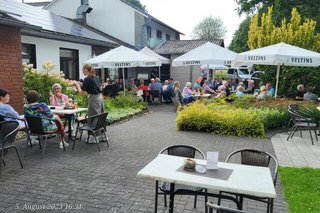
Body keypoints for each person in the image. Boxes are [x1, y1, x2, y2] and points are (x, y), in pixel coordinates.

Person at [74, 64, 104, 142]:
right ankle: (101, 135)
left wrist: (77, 85)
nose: (82, 71)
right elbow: (91, 86)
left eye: (82, 70)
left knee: (93, 117)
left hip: (94, 99)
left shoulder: (87, 79)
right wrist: (81, 84)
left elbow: (81, 93)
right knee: (100, 116)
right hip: (99, 98)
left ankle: (94, 138)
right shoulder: (95, 77)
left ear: (86, 70)